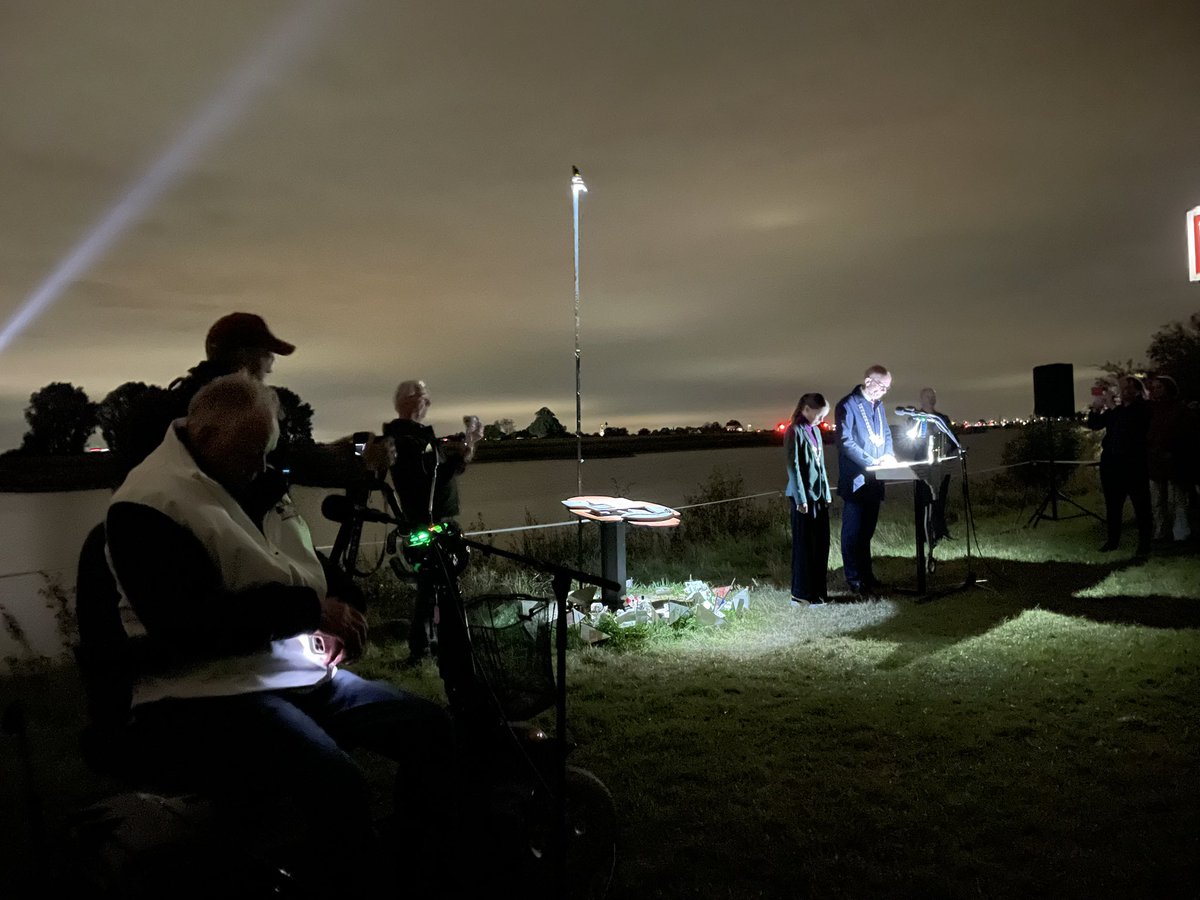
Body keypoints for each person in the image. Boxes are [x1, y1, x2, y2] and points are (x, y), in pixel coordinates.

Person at [105, 374, 456, 890]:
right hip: (210, 689)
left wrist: (345, 607)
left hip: (293, 671)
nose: (263, 465)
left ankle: (420, 863)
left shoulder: (254, 481)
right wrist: (311, 612)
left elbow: (303, 565)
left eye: (267, 451)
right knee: (336, 782)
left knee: (432, 729)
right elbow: (190, 626)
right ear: (205, 436)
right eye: (252, 452)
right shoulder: (148, 504)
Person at [116, 312, 296, 477]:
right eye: (267, 356)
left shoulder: (158, 409)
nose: (270, 369)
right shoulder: (239, 415)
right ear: (245, 357)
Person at [381, 379, 483, 663]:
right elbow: (431, 479)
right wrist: (465, 451)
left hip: (431, 520)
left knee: (433, 587)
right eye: (424, 397)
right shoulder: (407, 440)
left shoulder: (411, 437)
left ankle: (431, 645)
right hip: (426, 522)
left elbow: (438, 472)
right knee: (434, 587)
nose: (428, 403)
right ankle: (428, 648)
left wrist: (465, 447)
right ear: (409, 400)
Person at [836, 365, 897, 596]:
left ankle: (867, 576)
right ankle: (854, 579)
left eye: (887, 388)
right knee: (853, 532)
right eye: (882, 386)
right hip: (856, 480)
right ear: (868, 381)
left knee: (867, 532)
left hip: (876, 479)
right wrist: (871, 461)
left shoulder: (878, 406)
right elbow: (845, 441)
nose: (884, 391)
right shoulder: (847, 404)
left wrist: (888, 455)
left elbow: (887, 434)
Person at [1086, 374, 1152, 555]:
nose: (1124, 392)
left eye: (1128, 388)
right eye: (1122, 388)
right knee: (1113, 505)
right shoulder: (1117, 410)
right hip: (1111, 462)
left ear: (1137, 391)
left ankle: (1144, 544)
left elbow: (1128, 426)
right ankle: (1112, 541)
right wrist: (1096, 409)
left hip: (1133, 463)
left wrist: (1112, 406)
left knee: (1141, 505)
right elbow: (1095, 425)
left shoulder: (1142, 409)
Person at [784, 393, 832, 605]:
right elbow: (793, 467)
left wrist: (827, 493)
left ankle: (818, 593)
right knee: (804, 546)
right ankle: (800, 594)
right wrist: (801, 498)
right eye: (819, 415)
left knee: (820, 545)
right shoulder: (794, 431)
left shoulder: (816, 431)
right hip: (802, 498)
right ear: (806, 410)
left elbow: (821, 466)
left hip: (819, 497)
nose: (821, 420)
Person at [1147, 375, 1194, 544]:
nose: (1156, 390)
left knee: (1177, 499)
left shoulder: (1180, 409)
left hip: (1174, 459)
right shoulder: (1152, 409)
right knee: (1157, 500)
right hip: (1156, 459)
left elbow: (1184, 433)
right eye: (1154, 387)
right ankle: (1161, 531)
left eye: (1159, 387)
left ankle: (1180, 532)